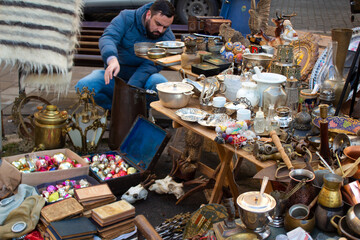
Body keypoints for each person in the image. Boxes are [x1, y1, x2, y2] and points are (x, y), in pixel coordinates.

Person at [75, 0, 176, 110]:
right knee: (83, 87)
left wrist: (129, 91)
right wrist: (112, 59)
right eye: (158, 24)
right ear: (148, 15)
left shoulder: (168, 39)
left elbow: (148, 67)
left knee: (160, 84)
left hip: (143, 81)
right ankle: (116, 109)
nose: (161, 30)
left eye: (165, 27)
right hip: (116, 78)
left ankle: (140, 111)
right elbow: (108, 37)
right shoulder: (126, 17)